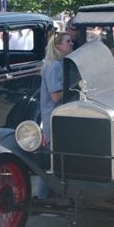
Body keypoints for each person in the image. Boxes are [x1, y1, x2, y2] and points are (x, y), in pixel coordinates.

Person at [39, 32, 74, 199]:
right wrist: (76, 87)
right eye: (68, 41)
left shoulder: (61, 64)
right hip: (54, 119)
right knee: (52, 162)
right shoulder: (55, 66)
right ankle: (44, 199)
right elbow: (56, 96)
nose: (72, 44)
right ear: (58, 46)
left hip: (60, 119)